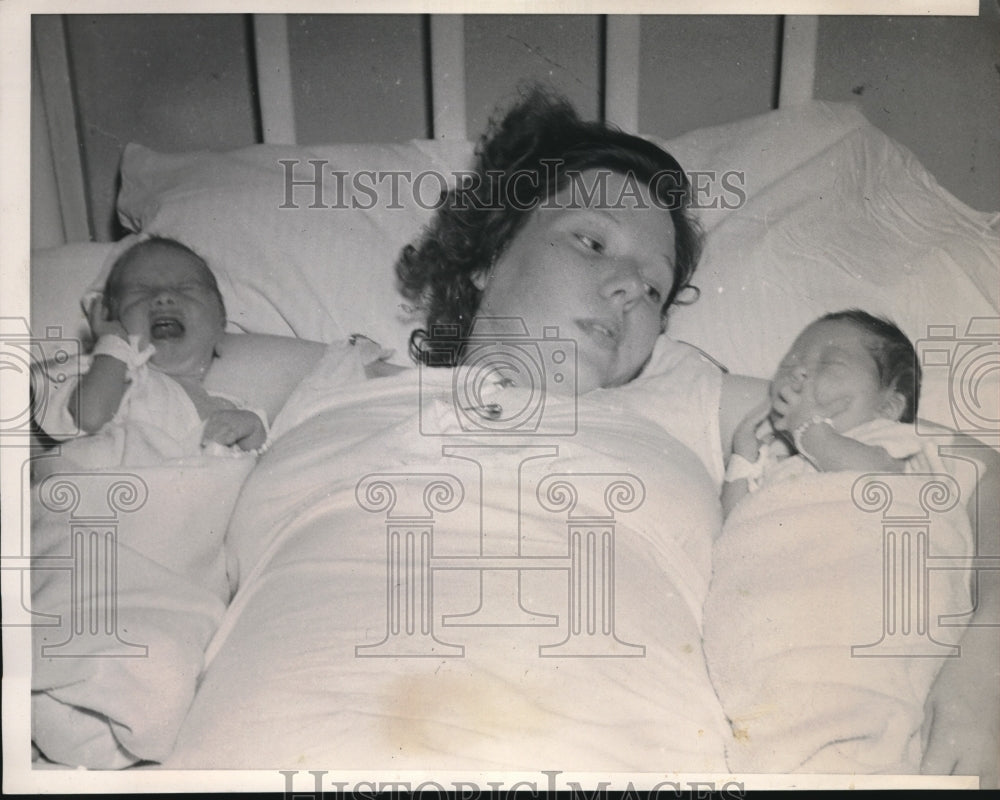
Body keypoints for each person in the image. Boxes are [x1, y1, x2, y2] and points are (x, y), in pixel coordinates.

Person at [153, 88, 995, 784]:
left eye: (655, 287)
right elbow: (140, 346)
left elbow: (973, 472)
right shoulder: (334, 376)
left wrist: (979, 678)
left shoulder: (687, 397)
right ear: (487, 255)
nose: (629, 285)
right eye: (590, 241)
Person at [36, 236, 267, 469]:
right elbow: (90, 417)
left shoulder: (228, 406)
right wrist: (113, 344)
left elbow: (261, 463)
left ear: (220, 321)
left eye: (186, 288)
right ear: (110, 318)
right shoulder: (99, 371)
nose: (163, 297)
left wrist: (253, 427)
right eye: (141, 291)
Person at [721, 310, 923, 519]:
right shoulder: (778, 467)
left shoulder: (897, 446)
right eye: (788, 364)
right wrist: (742, 461)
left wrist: (808, 427)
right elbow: (736, 522)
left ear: (887, 407)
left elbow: (879, 481)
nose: (797, 371)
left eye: (829, 363)